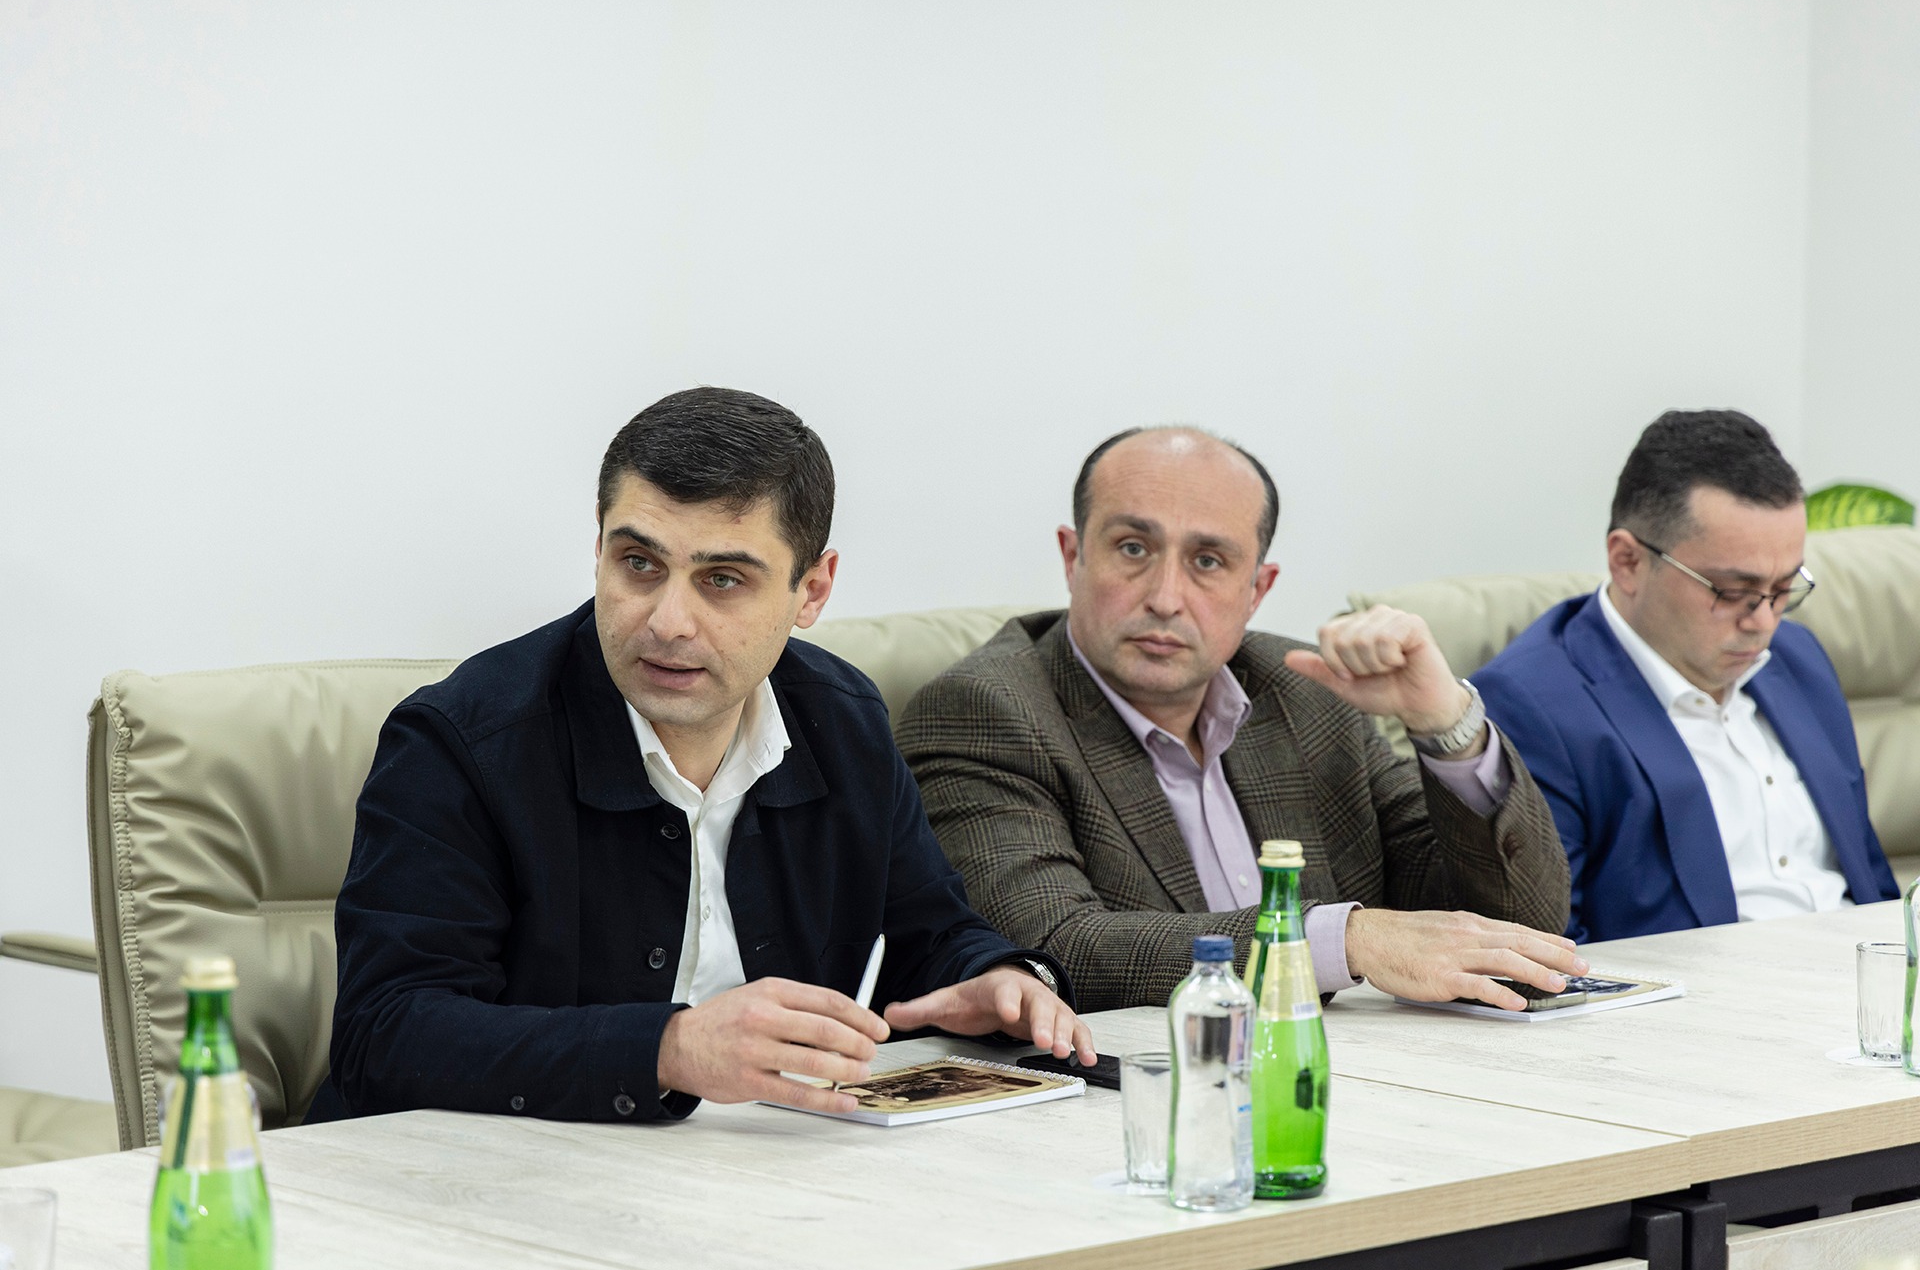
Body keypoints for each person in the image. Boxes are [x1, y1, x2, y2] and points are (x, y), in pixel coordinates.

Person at [312, 387, 1093, 1127]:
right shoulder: (460, 741)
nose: (668, 621)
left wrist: (998, 977)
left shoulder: (841, 719)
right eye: (639, 564)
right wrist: (668, 1048)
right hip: (475, 1184)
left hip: (758, 1176)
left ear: (812, 590)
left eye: (722, 579)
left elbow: (927, 932)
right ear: (598, 548)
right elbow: (386, 1033)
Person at [896, 427, 1580, 1014]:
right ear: (1073, 557)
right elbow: (1053, 948)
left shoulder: (1305, 691)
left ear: (1258, 588)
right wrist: (1341, 940)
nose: (1166, 597)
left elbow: (1518, 931)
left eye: (1208, 561)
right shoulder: (985, 711)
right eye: (1132, 548)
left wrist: (1447, 726)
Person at [1473, 409, 1897, 942]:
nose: (1764, 621)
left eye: (1784, 587)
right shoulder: (1531, 703)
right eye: (1732, 591)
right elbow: (1549, 950)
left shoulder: (1797, 657)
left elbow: (1872, 883)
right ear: (1628, 561)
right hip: (1710, 989)